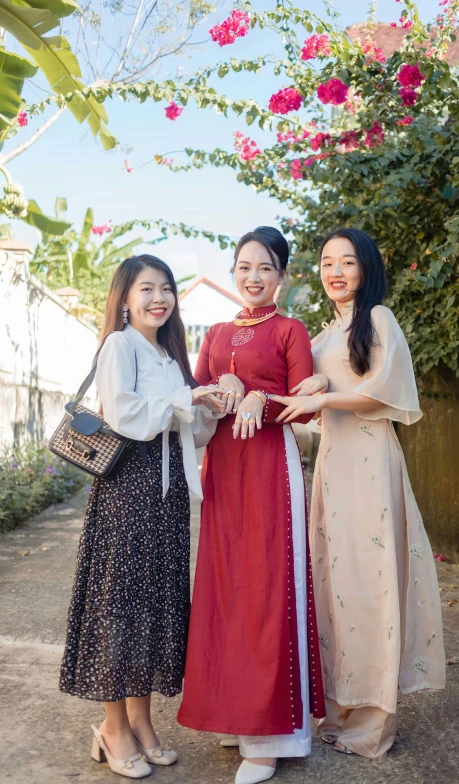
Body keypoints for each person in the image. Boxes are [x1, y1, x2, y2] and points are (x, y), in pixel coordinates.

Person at [270, 228, 446, 760]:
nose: (336, 271)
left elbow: (379, 395)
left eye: (348, 261)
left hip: (371, 465)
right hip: (333, 465)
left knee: (372, 586)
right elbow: (309, 399)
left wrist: (323, 394)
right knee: (337, 583)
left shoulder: (380, 320)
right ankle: (343, 706)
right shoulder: (326, 332)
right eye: (327, 262)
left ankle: (375, 722)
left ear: (367, 268)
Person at [59, 254, 223, 779]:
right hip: (128, 488)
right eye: (146, 288)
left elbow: (189, 431)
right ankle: (111, 728)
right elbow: (125, 414)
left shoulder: (171, 354)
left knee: (156, 603)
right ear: (125, 299)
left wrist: (205, 407)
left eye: (166, 288)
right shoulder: (120, 344)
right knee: (121, 604)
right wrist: (183, 398)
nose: (158, 297)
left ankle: (141, 721)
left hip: (168, 491)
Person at [177, 227, 325, 784]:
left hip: (268, 466)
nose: (252, 277)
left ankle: (271, 735)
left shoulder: (290, 329)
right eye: (243, 267)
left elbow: (307, 406)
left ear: (282, 275)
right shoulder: (214, 333)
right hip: (224, 467)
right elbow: (195, 403)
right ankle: (235, 715)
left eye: (264, 267)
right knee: (225, 585)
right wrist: (224, 387)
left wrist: (263, 396)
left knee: (267, 586)